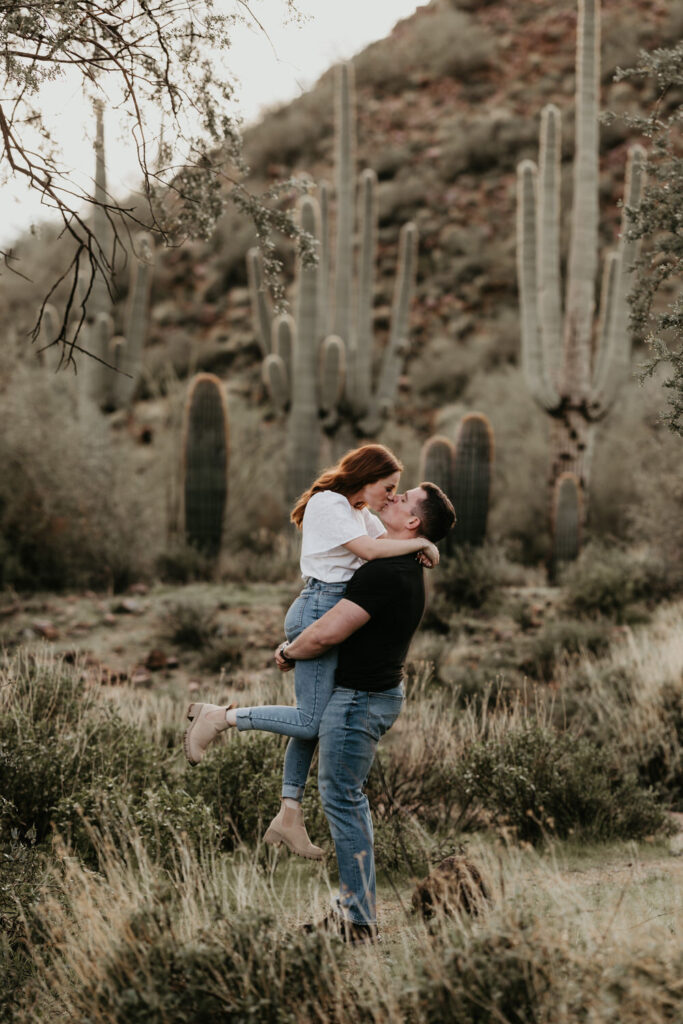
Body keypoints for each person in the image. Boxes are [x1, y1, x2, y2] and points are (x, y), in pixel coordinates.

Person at [183, 445, 440, 859]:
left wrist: (421, 545)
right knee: (309, 720)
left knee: (314, 719)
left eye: (397, 492)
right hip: (318, 608)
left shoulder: (361, 512)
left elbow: (391, 540)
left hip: (335, 609)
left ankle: (289, 814)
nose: (392, 497)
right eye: (388, 488)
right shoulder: (329, 504)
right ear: (366, 476)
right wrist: (422, 543)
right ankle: (220, 718)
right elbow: (375, 552)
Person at [273, 481, 455, 943]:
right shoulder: (396, 561)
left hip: (359, 701)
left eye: (403, 498)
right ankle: (356, 912)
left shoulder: (388, 573)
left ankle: (357, 919)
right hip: (368, 695)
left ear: (413, 521)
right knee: (345, 798)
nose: (393, 497)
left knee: (342, 798)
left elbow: (329, 632)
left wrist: (290, 651)